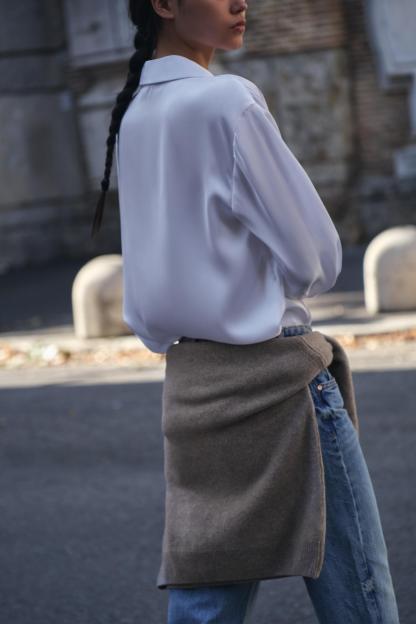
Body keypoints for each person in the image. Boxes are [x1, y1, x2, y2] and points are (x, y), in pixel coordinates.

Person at [91, 2, 401, 623]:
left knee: (204, 601)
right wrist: (259, 286)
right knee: (360, 600)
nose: (241, 1)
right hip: (280, 385)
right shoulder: (226, 100)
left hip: (196, 390)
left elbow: (151, 288)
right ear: (165, 3)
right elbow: (316, 256)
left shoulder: (135, 113)